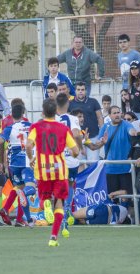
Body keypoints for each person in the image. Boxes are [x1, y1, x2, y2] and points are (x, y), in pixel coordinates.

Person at [25, 98, 79, 247]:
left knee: (44, 200)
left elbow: (28, 145)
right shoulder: (63, 129)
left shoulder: (36, 127)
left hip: (42, 169)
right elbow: (75, 150)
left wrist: (30, 158)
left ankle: (46, 203)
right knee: (60, 203)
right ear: (56, 111)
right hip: (59, 170)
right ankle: (53, 237)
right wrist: (74, 153)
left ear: (43, 112)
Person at [0, 104, 35, 227]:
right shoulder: (32, 126)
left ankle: (27, 220)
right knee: (30, 189)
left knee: (20, 189)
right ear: (23, 114)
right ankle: (23, 216)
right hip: (28, 162)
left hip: (14, 164)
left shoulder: (9, 129)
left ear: (11, 115)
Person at [86, 106, 137, 198]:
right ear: (109, 115)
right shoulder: (105, 127)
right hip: (110, 169)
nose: (117, 115)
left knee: (127, 196)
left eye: (118, 112)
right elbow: (96, 146)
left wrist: (133, 132)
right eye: (114, 113)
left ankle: (126, 212)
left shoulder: (126, 124)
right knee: (112, 197)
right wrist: (87, 142)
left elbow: (131, 130)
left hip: (125, 168)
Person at [56, 93, 83, 237]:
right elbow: (76, 134)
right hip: (70, 160)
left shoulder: (51, 119)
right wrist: (79, 148)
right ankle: (66, 211)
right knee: (71, 184)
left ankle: (59, 213)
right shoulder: (72, 118)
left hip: (55, 159)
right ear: (67, 104)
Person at [69, 82, 103, 160]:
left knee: (93, 164)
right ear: (75, 91)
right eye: (78, 89)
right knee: (79, 164)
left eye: (82, 89)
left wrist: (100, 134)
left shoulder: (93, 101)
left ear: (86, 91)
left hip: (93, 137)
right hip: (77, 139)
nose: (80, 91)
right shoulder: (70, 104)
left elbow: (100, 117)